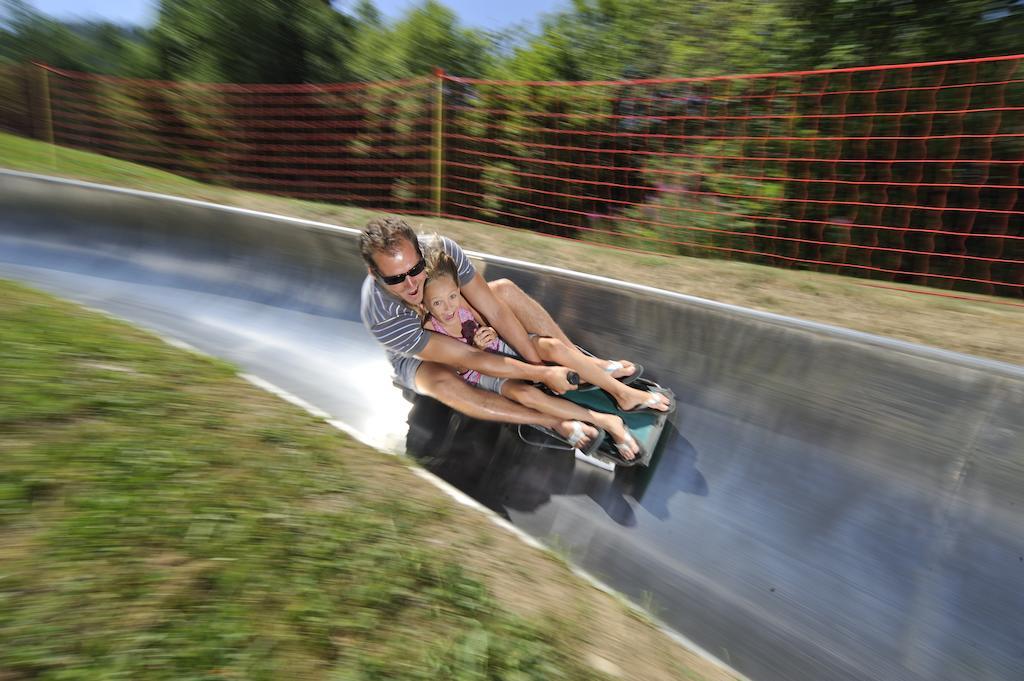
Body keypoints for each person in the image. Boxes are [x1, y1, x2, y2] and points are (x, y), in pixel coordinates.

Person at [358, 216, 664, 455]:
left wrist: (540, 369)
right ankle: (552, 421)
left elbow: (496, 310)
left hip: (451, 317)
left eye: (415, 270)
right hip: (421, 352)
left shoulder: (441, 252)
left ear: (421, 252)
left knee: (502, 289)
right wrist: (542, 375)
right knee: (443, 383)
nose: (411, 285)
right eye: (396, 279)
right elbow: (469, 358)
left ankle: (592, 367)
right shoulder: (383, 317)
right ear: (375, 274)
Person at [419, 245, 673, 461]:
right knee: (526, 394)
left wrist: (490, 334)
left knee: (551, 346)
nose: (448, 306)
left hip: (499, 348)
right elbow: (459, 368)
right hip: (480, 372)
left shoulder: (461, 300)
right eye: (438, 303)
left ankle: (623, 393)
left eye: (452, 296)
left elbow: (487, 319)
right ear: (426, 305)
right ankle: (605, 420)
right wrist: (476, 348)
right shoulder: (430, 327)